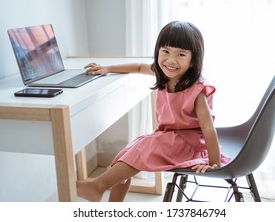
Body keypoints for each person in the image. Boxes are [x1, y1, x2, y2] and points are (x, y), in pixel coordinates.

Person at [76, 21, 230, 202]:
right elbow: (140, 67)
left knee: (141, 149)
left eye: (180, 54)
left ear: (193, 60)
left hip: (190, 144)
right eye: (165, 51)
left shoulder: (197, 89)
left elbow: (208, 129)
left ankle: (97, 186)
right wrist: (107, 69)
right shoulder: (164, 74)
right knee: (126, 154)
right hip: (168, 137)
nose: (171, 60)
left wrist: (214, 163)